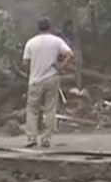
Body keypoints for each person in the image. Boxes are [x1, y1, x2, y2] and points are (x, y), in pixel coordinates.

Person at [21, 17, 74, 149]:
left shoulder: (31, 43)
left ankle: (31, 137)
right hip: (52, 77)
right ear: (50, 27)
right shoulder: (56, 41)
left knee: (32, 109)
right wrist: (61, 67)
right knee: (50, 109)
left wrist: (31, 71)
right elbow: (70, 54)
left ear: (38, 28)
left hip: (35, 80)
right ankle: (46, 139)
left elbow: (25, 63)